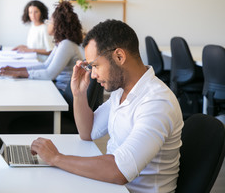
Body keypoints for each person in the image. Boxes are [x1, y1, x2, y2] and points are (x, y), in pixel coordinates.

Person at [30, 20, 184, 193]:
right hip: (111, 186)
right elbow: (88, 132)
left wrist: (56, 158)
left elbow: (119, 171)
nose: (93, 74)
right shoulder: (121, 91)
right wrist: (79, 94)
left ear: (119, 56)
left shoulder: (157, 102)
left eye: (95, 65)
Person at [0, 1, 84, 91]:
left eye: (50, 22)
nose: (47, 24)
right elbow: (45, 66)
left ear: (58, 25)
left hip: (63, 92)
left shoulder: (67, 44)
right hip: (58, 87)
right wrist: (16, 70)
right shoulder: (61, 43)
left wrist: (19, 73)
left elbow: (49, 74)